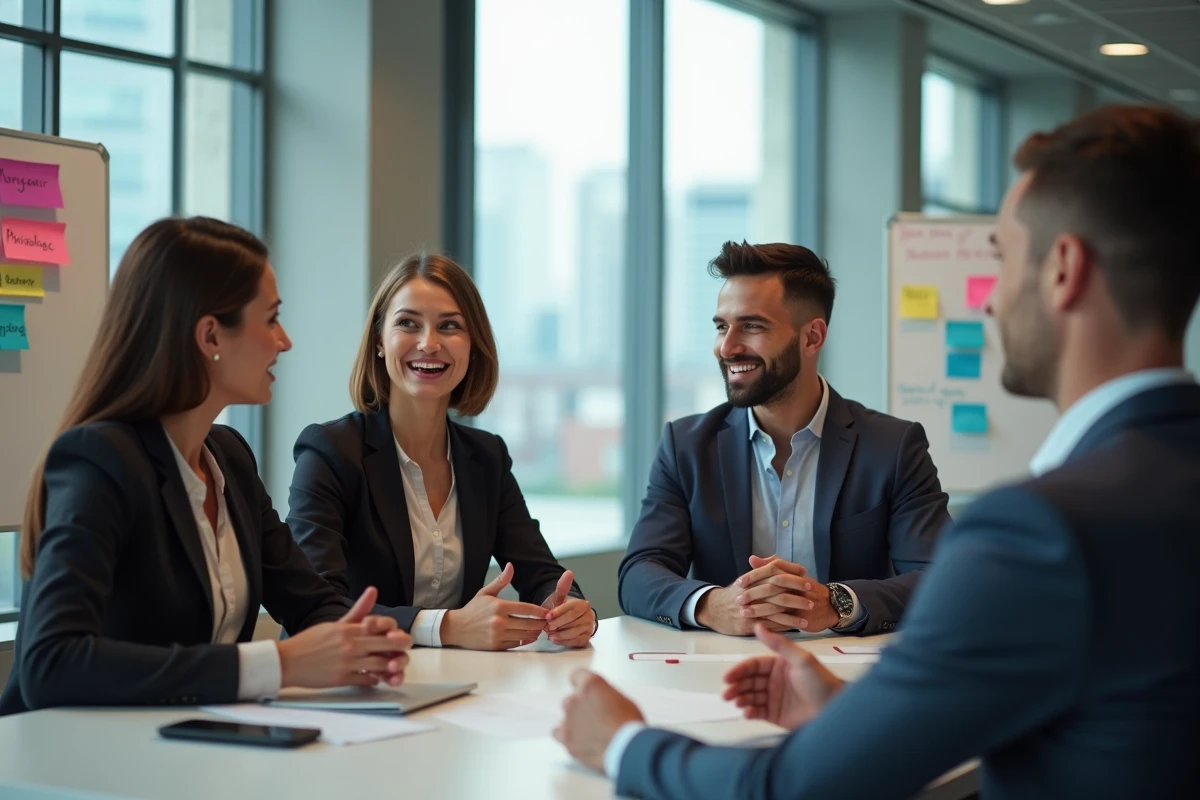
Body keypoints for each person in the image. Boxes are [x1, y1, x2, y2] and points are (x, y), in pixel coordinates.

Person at [556, 103, 1200, 798]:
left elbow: (795, 787)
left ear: (1063, 269)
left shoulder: (1037, 531)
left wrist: (621, 741)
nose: (987, 303)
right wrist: (846, 714)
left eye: (1002, 260)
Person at [0, 217, 411, 717]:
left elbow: (309, 602)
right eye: (271, 318)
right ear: (211, 335)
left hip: (186, 751)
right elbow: (51, 663)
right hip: (70, 770)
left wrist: (360, 637)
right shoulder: (99, 460)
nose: (285, 342)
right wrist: (276, 664)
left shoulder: (229, 458)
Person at [619, 242, 950, 637]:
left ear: (812, 338)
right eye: (722, 326)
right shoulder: (686, 445)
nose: (727, 347)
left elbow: (939, 577)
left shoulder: (893, 446)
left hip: (850, 674)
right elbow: (638, 574)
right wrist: (712, 605)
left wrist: (837, 603)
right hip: (720, 672)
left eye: (752, 326)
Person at [287, 253, 596, 651]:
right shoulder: (329, 452)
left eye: (449, 326)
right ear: (379, 341)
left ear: (473, 346)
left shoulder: (487, 457)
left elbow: (540, 572)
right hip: (346, 684)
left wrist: (566, 607)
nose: (429, 343)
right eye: (408, 324)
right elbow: (317, 605)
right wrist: (445, 626)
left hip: (454, 686)